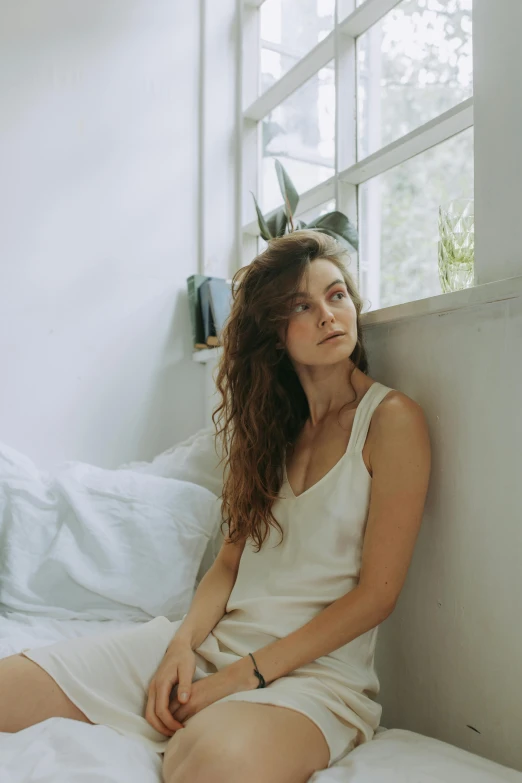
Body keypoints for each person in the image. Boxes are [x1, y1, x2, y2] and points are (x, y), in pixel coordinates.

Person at [0, 230, 431, 782]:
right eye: (303, 305)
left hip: (315, 677)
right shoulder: (269, 432)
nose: (328, 315)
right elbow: (229, 564)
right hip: (212, 645)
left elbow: (377, 597)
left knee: (211, 763)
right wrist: (182, 645)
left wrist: (240, 680)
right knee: (10, 686)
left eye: (337, 295)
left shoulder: (393, 420)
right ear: (274, 334)